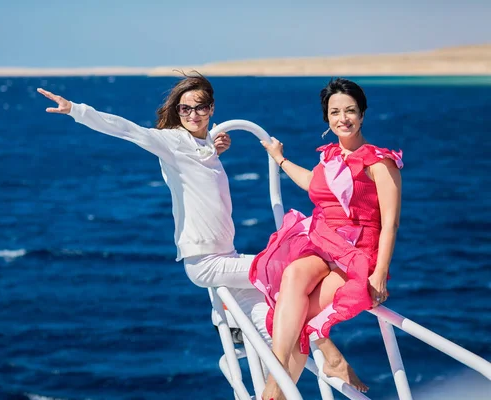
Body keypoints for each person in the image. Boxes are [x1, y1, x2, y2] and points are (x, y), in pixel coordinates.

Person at [37, 72, 273, 345]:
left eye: (200, 107)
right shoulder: (171, 142)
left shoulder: (205, 145)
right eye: (185, 108)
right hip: (206, 260)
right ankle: (226, 321)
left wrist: (213, 146)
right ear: (178, 111)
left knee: (270, 322)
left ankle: (239, 337)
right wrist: (76, 110)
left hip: (227, 255)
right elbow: (126, 130)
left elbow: (199, 164)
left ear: (211, 109)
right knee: (283, 270)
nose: (193, 114)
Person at [251, 77, 403, 399]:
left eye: (350, 111)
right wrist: (279, 159)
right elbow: (312, 185)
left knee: (299, 318)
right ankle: (289, 373)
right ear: (327, 118)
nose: (342, 119)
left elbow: (390, 223)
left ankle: (274, 385)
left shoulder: (380, 162)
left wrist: (379, 274)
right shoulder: (329, 156)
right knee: (292, 276)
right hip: (323, 242)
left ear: (362, 114)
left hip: (358, 254)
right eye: (335, 112)